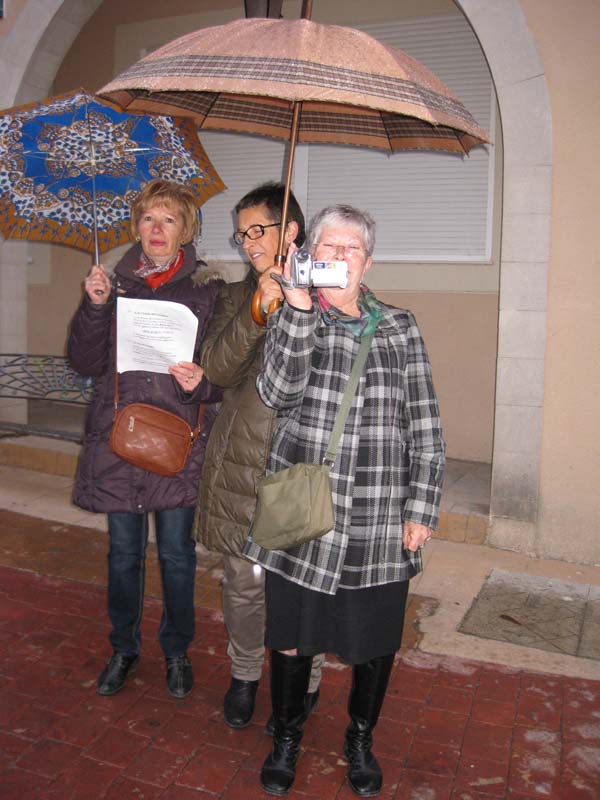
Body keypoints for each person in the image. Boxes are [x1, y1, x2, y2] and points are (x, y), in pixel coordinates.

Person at [244, 205, 445, 797]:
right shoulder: (296, 314)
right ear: (309, 256)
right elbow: (275, 391)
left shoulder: (399, 326)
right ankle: (287, 736)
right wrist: (298, 310)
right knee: (291, 634)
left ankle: (360, 739)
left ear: (368, 262)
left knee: (375, 640)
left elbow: (424, 422)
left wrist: (422, 508)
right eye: (328, 246)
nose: (340, 255)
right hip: (307, 512)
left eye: (351, 247)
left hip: (380, 514)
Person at [68, 179, 223, 700]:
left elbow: (226, 373)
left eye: (169, 219)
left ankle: (177, 650)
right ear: (136, 226)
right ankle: (124, 648)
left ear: (186, 230)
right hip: (119, 442)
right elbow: (84, 362)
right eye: (148, 218)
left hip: (178, 442)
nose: (157, 229)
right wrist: (95, 306)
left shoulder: (208, 290)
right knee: (122, 555)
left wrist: (202, 381)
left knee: (177, 555)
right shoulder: (113, 286)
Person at [194, 182, 322, 730]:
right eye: (241, 233)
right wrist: (257, 310)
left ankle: (306, 679)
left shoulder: (326, 290)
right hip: (243, 454)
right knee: (243, 580)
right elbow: (218, 370)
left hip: (301, 459)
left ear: (289, 231)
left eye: (256, 230)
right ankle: (245, 673)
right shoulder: (233, 296)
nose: (247, 242)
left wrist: (297, 303)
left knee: (300, 581)